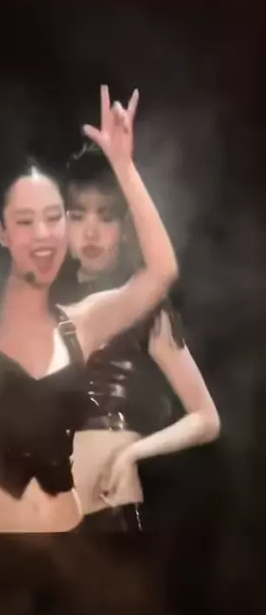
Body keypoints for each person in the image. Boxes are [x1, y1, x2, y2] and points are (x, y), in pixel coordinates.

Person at [0, 86, 178, 534]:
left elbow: (161, 271)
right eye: (26, 222)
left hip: (73, 545)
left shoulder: (81, 322)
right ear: (2, 233)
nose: (44, 235)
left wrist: (123, 167)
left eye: (54, 217)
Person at [59, 140, 220, 532]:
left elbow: (206, 418)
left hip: (109, 508)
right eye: (77, 216)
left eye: (106, 216)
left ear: (125, 227)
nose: (91, 231)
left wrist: (131, 453)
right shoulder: (44, 303)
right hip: (44, 510)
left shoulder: (146, 307)